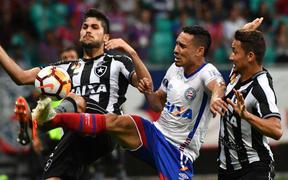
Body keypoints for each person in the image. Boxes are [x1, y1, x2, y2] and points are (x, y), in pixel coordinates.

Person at [26, 25, 228, 179]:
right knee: (116, 121)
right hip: (155, 133)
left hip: (177, 151)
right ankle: (52, 120)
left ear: (199, 51)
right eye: (176, 43)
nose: (175, 49)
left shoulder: (207, 72)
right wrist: (134, 59)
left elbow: (218, 85)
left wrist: (217, 98)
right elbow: (157, 104)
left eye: (182, 46)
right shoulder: (175, 69)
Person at [0, 9, 152, 180]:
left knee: (76, 98)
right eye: (85, 27)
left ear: (106, 37)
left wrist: (131, 51)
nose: (88, 30)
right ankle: (36, 125)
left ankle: (36, 123)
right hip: (75, 131)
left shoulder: (117, 61)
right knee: (53, 176)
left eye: (94, 27)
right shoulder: (64, 68)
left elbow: (146, 85)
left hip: (106, 125)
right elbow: (21, 77)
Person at [217, 29, 283, 179]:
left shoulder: (261, 88)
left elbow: (276, 130)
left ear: (250, 56)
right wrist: (247, 28)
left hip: (254, 169)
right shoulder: (237, 73)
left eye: (235, 52)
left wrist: (247, 116)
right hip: (226, 169)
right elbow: (243, 44)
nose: (230, 57)